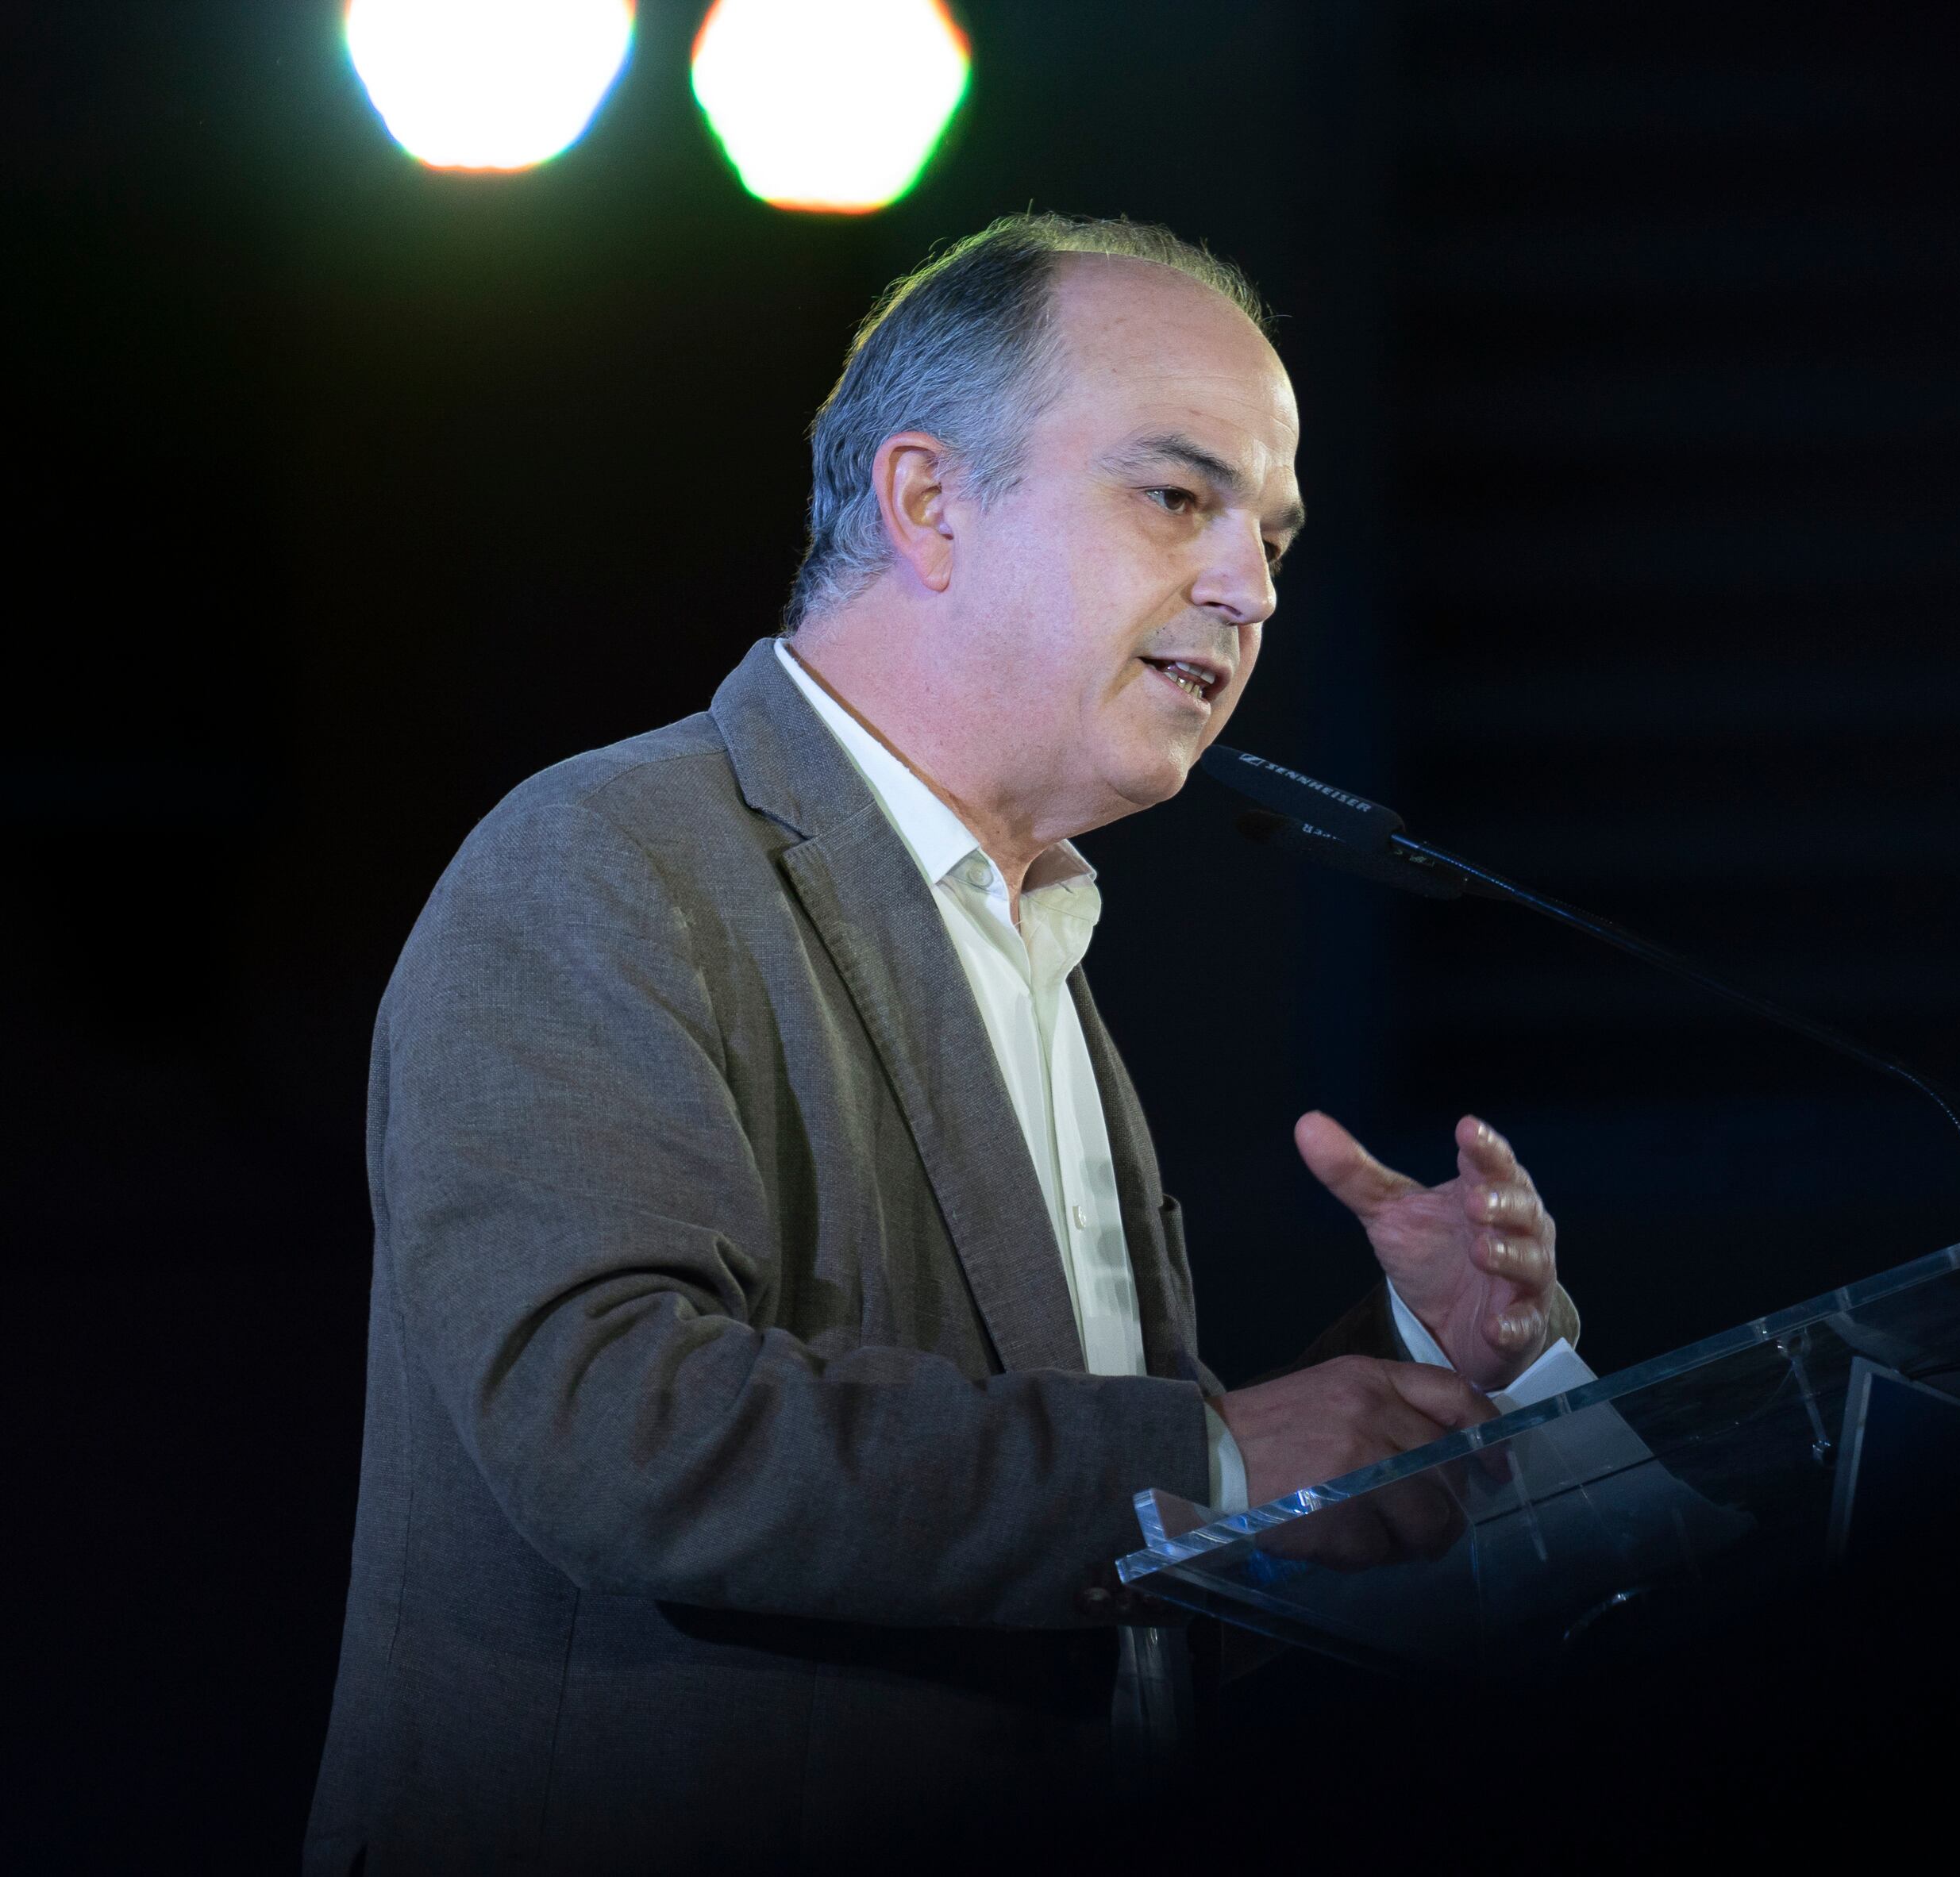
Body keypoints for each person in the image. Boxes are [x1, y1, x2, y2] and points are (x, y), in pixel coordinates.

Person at [305, 214, 1581, 1874]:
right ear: (926, 506)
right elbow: (606, 1423)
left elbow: (1053, 1514)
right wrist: (1201, 1457)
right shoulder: (606, 859)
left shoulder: (1028, 933)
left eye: (1268, 535)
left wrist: (1416, 1355)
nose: (1249, 589)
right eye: (1177, 497)